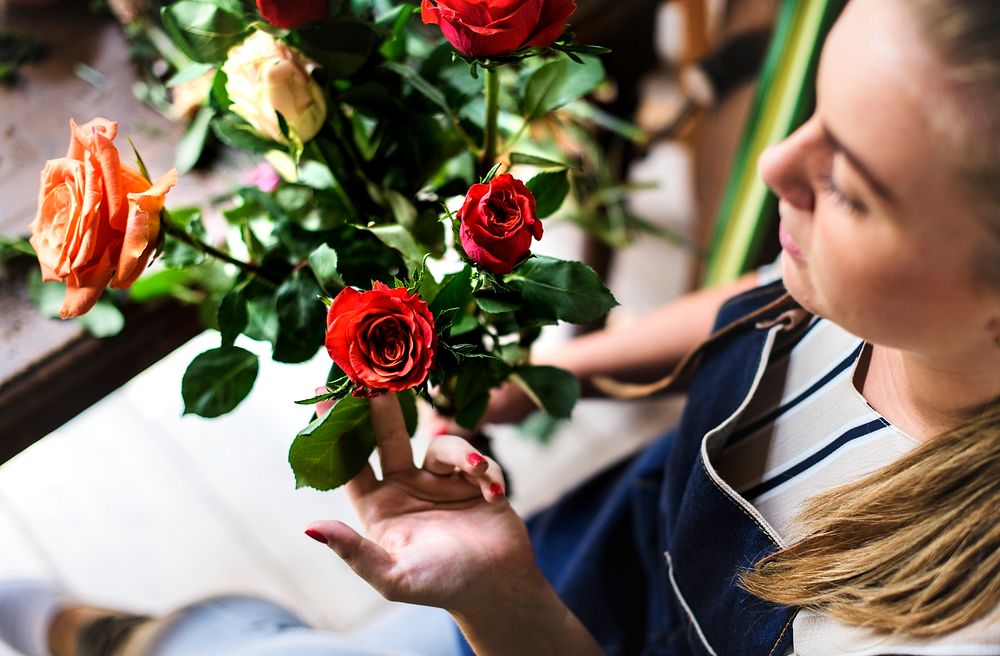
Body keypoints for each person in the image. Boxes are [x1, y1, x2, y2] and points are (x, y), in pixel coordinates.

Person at [1, 0, 998, 653]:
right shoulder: (866, 298)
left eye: (855, 190)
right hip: (592, 560)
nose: (776, 161)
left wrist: (496, 597)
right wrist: (544, 372)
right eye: (816, 105)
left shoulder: (938, 628)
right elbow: (754, 308)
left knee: (225, 640)